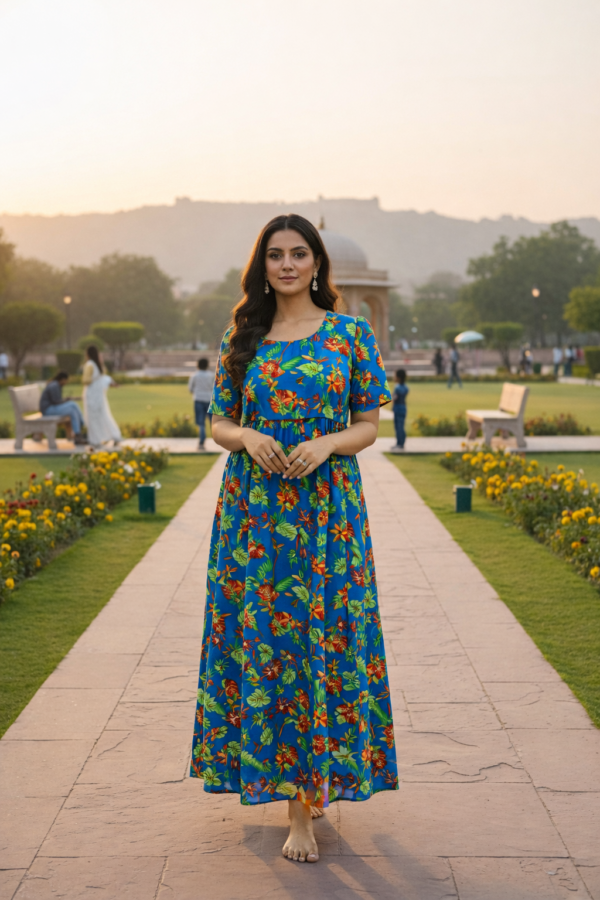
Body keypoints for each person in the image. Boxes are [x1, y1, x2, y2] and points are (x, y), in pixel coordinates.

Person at [190, 214, 399, 864]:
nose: (286, 265)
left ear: (316, 263)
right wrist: (247, 435)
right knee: (270, 643)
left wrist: (327, 443)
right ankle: (295, 809)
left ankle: (312, 792)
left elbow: (368, 424)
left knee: (323, 639)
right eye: (275, 254)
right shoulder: (244, 336)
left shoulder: (349, 334)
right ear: (263, 265)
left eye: (298, 253)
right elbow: (220, 423)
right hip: (254, 513)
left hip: (327, 511)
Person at [82, 346, 121, 448]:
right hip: (99, 395)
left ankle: (95, 440)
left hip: (91, 395)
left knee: (93, 418)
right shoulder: (98, 365)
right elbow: (103, 378)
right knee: (104, 415)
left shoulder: (89, 365)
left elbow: (85, 380)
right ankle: (115, 435)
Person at [40, 371, 86, 444]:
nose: (66, 383)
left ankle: (78, 434)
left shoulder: (56, 384)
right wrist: (66, 400)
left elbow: (57, 400)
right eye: (66, 380)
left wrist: (66, 400)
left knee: (72, 409)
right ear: (63, 379)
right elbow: (55, 401)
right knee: (72, 405)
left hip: (51, 408)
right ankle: (82, 425)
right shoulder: (54, 385)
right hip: (48, 410)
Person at [188, 357, 214, 450]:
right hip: (209, 399)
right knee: (213, 421)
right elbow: (214, 387)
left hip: (198, 399)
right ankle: (218, 438)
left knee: (201, 422)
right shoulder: (211, 375)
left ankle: (202, 441)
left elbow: (190, 388)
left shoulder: (194, 375)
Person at [391, 369, 408, 451]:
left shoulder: (397, 388)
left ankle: (399, 443)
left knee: (398, 426)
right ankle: (401, 443)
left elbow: (394, 398)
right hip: (403, 407)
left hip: (397, 408)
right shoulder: (405, 387)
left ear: (398, 377)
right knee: (401, 426)